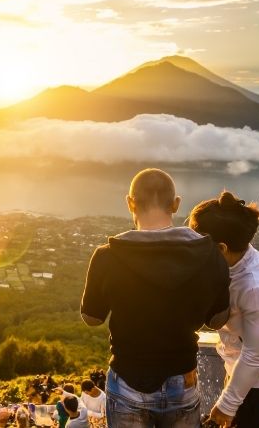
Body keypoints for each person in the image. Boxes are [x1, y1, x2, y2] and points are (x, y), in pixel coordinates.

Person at [80, 168, 232, 427]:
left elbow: (91, 318)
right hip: (182, 381)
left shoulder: (107, 256)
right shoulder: (210, 254)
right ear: (175, 204)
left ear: (130, 203)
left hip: (127, 380)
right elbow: (218, 321)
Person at [190, 191, 259, 427]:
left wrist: (226, 406)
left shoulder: (256, 287)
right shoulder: (232, 261)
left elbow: (254, 357)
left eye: (197, 243)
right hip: (243, 378)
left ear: (221, 248)